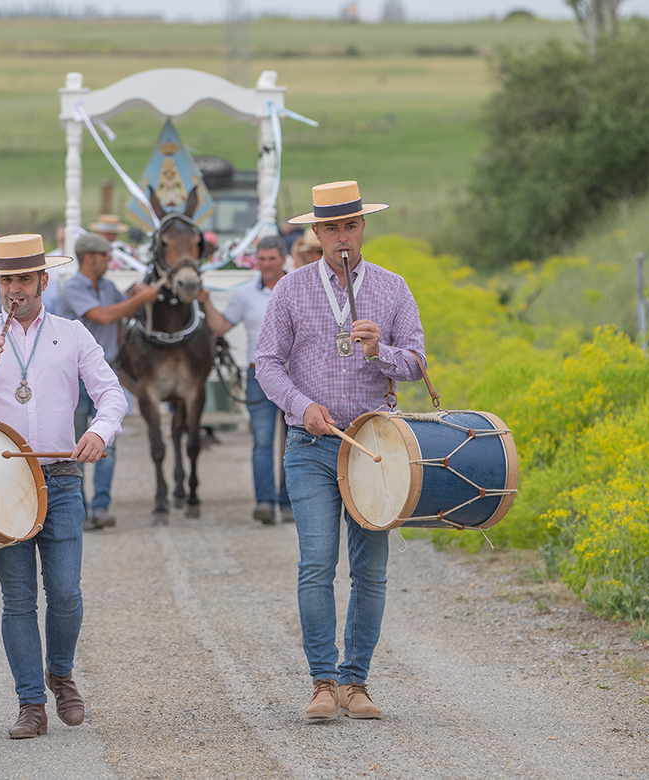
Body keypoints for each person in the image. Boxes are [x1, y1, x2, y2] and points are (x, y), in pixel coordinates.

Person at [0, 233, 128, 740]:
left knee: (65, 592)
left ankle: (60, 673)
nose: (14, 289)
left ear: (43, 281)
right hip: (1, 482)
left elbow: (111, 393)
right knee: (18, 598)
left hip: (61, 477)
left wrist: (99, 431)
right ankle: (31, 704)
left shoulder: (72, 333)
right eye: (6, 280)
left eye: (24, 278)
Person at [255, 180, 426, 722]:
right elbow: (266, 363)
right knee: (316, 563)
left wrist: (381, 351)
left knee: (370, 570)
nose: (342, 237)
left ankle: (357, 682)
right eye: (331, 228)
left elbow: (417, 363)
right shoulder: (291, 289)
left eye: (350, 225)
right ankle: (323, 683)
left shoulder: (393, 288)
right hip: (311, 444)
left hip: (375, 446)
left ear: (363, 227)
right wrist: (301, 405)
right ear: (317, 233)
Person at [56, 233, 159, 531]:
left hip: (103, 374)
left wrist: (135, 293)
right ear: (89, 258)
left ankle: (101, 508)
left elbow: (123, 306)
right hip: (74, 378)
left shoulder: (108, 286)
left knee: (106, 444)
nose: (109, 261)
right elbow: (103, 316)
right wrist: (140, 298)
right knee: (74, 446)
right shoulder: (72, 288)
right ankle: (79, 509)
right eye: (104, 256)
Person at [198, 235, 292, 525]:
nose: (266, 264)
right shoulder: (245, 294)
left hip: (296, 375)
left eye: (272, 259)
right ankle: (264, 502)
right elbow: (220, 327)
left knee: (295, 441)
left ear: (283, 259)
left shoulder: (299, 289)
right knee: (262, 440)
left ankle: (288, 502)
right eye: (261, 259)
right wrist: (206, 302)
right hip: (259, 375)